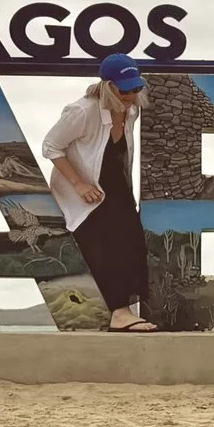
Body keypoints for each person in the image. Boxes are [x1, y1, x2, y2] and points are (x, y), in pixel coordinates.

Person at [42, 52, 156, 332]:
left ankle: (122, 311)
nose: (132, 93)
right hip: (81, 189)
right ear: (107, 86)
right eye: (125, 88)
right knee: (105, 247)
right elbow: (50, 146)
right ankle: (119, 313)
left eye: (136, 87)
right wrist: (79, 184)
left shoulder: (131, 109)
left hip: (114, 185)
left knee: (133, 243)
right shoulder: (82, 111)